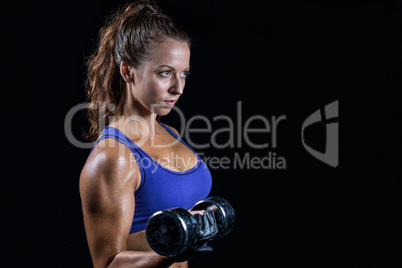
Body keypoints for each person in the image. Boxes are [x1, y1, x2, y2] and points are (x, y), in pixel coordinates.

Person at [79, 1, 213, 267]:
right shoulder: (112, 157)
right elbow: (108, 264)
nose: (178, 88)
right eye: (165, 73)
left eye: (183, 74)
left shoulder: (170, 132)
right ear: (128, 71)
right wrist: (171, 253)